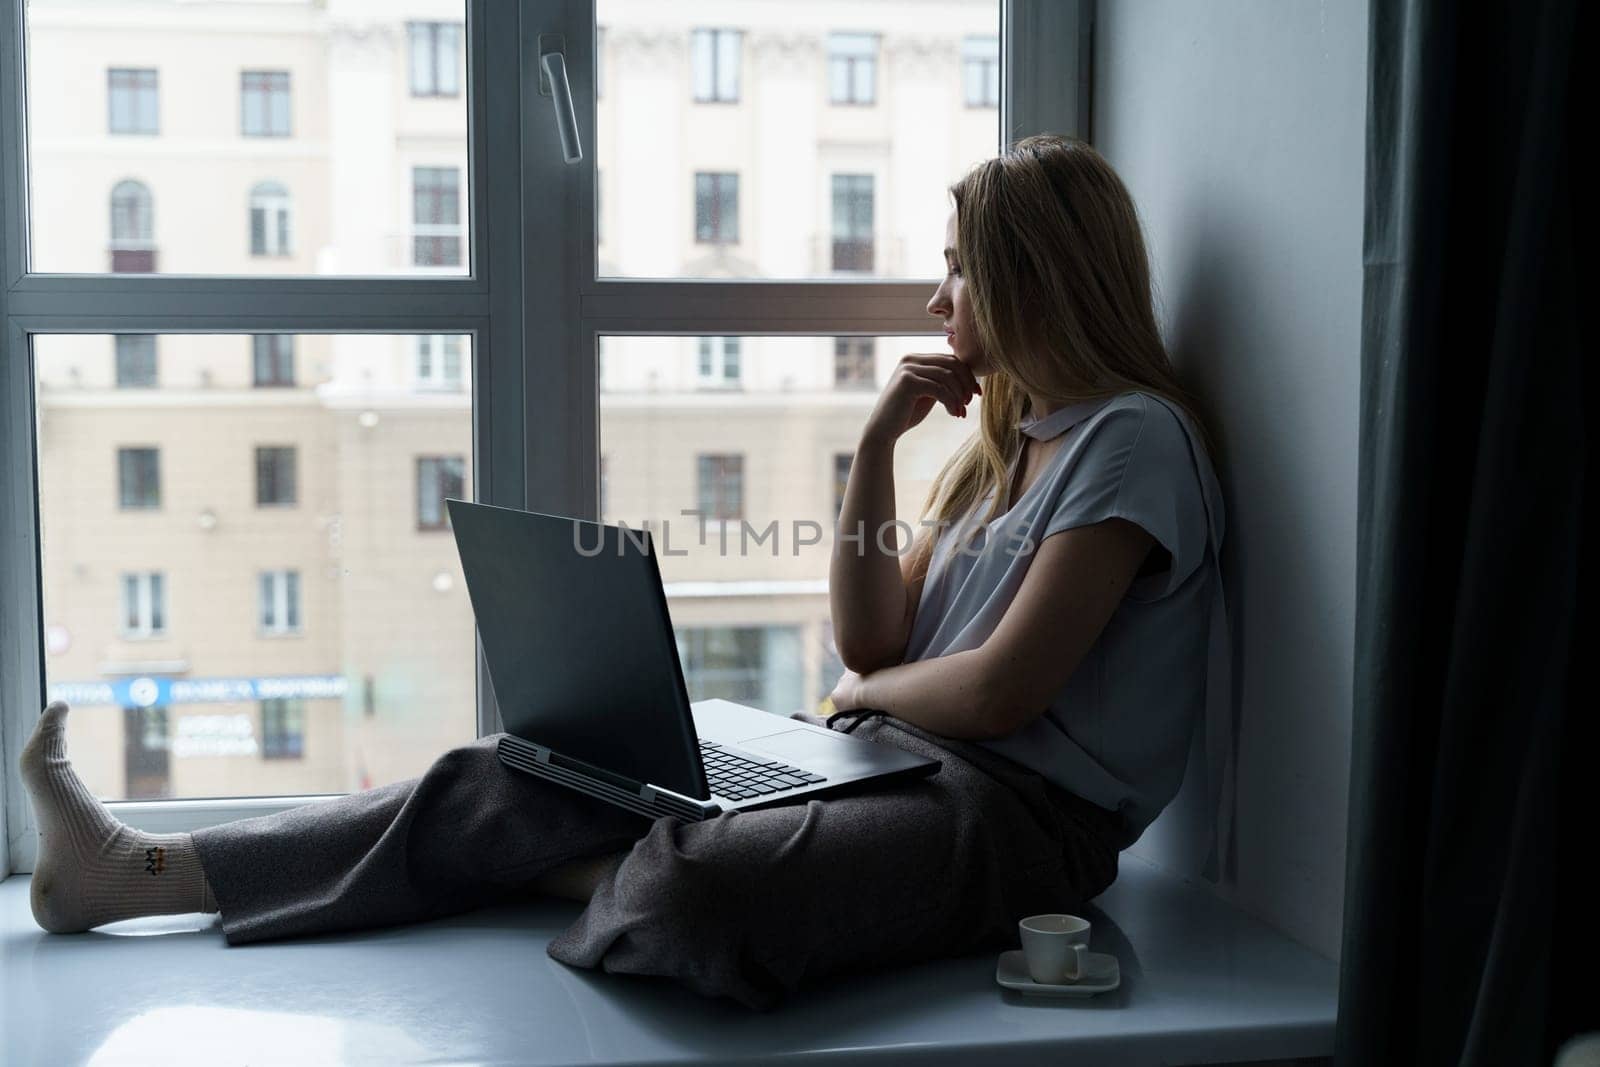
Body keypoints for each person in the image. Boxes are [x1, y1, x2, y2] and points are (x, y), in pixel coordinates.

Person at [18, 134, 1226, 1012]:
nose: (934, 294)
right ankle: (133, 870)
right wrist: (871, 449)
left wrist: (863, 706)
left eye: (958, 266)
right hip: (895, 766)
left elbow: (998, 694)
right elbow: (872, 642)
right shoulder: (1005, 447)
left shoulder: (1133, 439)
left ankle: (577, 865)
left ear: (1030, 275)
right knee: (515, 765)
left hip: (1020, 822)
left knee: (707, 891)